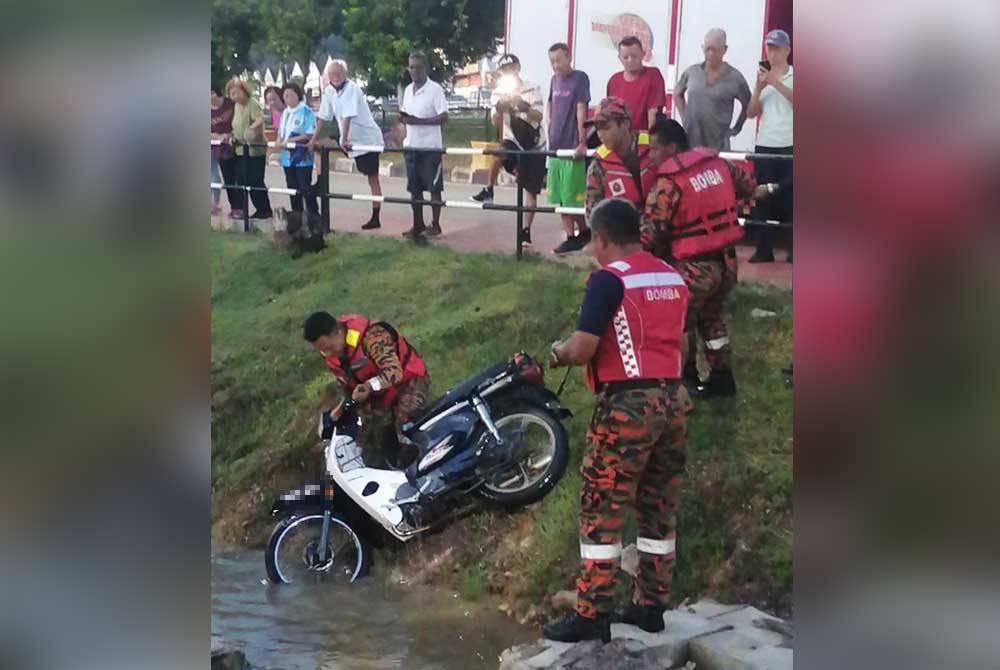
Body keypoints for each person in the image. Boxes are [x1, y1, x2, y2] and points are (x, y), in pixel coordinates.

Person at [542, 198, 689, 643]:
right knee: (657, 508)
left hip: (628, 405)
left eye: (592, 241)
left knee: (601, 509)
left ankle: (592, 614)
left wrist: (557, 353)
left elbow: (584, 348)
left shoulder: (608, 281)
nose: (591, 249)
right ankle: (651, 606)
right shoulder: (672, 276)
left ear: (601, 238)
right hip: (673, 400)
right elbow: (682, 342)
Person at [643, 118, 756, 398]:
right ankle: (722, 379)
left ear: (671, 147)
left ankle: (686, 380)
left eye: (655, 149)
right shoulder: (719, 165)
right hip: (726, 263)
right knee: (712, 319)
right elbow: (748, 185)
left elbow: (651, 233)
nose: (651, 155)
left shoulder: (668, 184)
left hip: (694, 267)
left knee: (679, 322)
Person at [303, 311, 431, 469]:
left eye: (329, 348)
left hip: (408, 382)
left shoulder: (373, 337)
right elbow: (348, 388)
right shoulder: (333, 356)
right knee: (369, 439)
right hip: (378, 394)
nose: (328, 354)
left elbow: (393, 373)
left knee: (405, 430)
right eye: (322, 351)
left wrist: (370, 386)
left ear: (338, 332)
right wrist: (339, 411)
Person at [469, 54, 546, 245]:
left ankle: (526, 230)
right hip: (512, 139)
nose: (508, 72)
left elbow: (539, 117)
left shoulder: (532, 87)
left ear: (518, 68)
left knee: (530, 191)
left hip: (533, 141)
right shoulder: (498, 92)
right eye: (504, 70)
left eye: (511, 68)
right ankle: (489, 189)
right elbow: (495, 122)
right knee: (498, 154)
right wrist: (501, 108)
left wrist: (524, 108)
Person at [310, 59, 386, 230]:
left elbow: (348, 115)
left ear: (344, 74)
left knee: (372, 178)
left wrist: (344, 139)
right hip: (348, 137)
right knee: (319, 147)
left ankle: (376, 216)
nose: (335, 77)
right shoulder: (329, 91)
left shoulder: (352, 88)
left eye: (338, 74)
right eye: (332, 74)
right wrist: (313, 138)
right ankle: (321, 181)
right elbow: (324, 116)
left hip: (365, 138)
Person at [746, 29, 793, 263]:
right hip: (765, 144)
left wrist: (776, 82)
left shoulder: (795, 75)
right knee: (762, 197)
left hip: (789, 143)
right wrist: (757, 88)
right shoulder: (762, 79)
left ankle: (794, 250)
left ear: (787, 50)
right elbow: (751, 113)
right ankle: (764, 249)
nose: (772, 53)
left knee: (791, 197)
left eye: (776, 48)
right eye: (769, 48)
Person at [674, 28, 752, 151]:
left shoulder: (735, 77)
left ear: (724, 50)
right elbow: (677, 94)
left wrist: (737, 128)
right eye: (707, 49)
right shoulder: (692, 72)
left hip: (718, 147)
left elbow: (749, 105)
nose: (710, 53)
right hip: (691, 144)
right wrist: (685, 118)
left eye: (715, 50)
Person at [546, 43, 591, 254]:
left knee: (572, 195)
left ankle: (581, 232)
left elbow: (581, 110)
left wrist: (582, 141)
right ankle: (573, 235)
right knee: (559, 196)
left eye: (559, 60)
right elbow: (550, 104)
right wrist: (549, 124)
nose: (556, 65)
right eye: (552, 61)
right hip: (555, 145)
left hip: (571, 144)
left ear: (568, 57)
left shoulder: (579, 78)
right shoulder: (554, 80)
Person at [399, 52, 449, 239]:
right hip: (411, 146)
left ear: (425, 68)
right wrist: (402, 120)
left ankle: (435, 224)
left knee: (434, 189)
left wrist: (418, 121)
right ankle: (417, 224)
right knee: (414, 189)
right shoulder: (407, 90)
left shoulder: (435, 89)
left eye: (418, 67)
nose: (414, 71)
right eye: (411, 67)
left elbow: (444, 117)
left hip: (430, 148)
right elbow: (407, 116)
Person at [583, 97, 656, 220]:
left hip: (657, 227)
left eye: (605, 127)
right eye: (597, 128)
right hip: (622, 233)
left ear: (625, 124)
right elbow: (592, 214)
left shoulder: (653, 148)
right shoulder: (598, 165)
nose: (600, 134)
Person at [227, 77, 273, 220]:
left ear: (244, 91)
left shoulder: (252, 103)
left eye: (237, 93)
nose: (235, 96)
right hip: (240, 149)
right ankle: (245, 210)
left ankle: (264, 210)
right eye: (232, 94)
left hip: (255, 149)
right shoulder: (236, 106)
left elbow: (260, 119)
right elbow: (236, 124)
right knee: (242, 179)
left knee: (256, 180)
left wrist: (251, 129)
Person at [605, 36, 667, 131]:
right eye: (625, 57)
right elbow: (611, 112)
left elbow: (653, 111)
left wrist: (652, 140)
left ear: (643, 54)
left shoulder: (653, 75)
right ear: (619, 58)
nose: (630, 60)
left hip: (645, 137)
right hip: (621, 138)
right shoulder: (614, 80)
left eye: (634, 56)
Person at [276, 82, 319, 217]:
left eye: (290, 94)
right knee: (292, 187)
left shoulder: (306, 112)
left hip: (301, 156)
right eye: (285, 95)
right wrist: (279, 142)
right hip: (286, 157)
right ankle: (297, 215)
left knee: (304, 187)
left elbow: (309, 133)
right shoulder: (285, 113)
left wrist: (291, 140)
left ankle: (313, 215)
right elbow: (281, 132)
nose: (287, 97)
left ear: (297, 95)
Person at [211, 86, 237, 216]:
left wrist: (230, 134)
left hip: (232, 144)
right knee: (213, 174)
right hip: (214, 145)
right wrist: (219, 137)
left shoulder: (229, 103)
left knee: (233, 175)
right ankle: (214, 204)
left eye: (211, 93)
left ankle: (237, 207)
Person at [264, 85, 285, 167]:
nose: (272, 103)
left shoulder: (289, 112)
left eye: (274, 99)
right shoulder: (274, 113)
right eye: (269, 100)